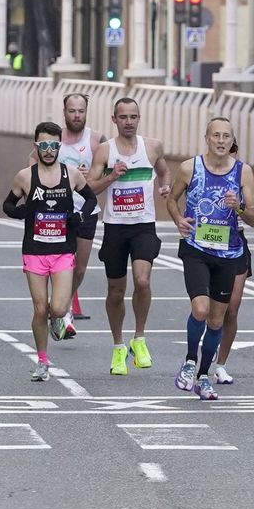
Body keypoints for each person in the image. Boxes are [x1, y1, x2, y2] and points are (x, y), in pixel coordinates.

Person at [166, 117, 254, 400]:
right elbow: (171, 199)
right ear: (206, 138)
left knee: (217, 320)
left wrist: (240, 207)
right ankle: (190, 360)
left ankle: (203, 375)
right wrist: (179, 220)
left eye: (226, 136)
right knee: (201, 309)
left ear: (233, 141)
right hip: (196, 248)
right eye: (216, 135)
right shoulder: (188, 168)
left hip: (229, 252)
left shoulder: (243, 173)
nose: (221, 141)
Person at [3, 121, 96, 381]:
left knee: (57, 308)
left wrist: (79, 217)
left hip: (63, 250)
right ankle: (42, 361)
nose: (48, 150)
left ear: (59, 147)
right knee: (40, 309)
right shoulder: (25, 176)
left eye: (53, 145)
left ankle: (60, 318)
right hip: (34, 250)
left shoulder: (72, 174)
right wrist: (25, 212)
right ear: (36, 146)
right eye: (43, 145)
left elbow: (91, 199)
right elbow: (8, 205)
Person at [88, 97, 172, 375]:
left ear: (139, 118)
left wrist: (165, 186)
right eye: (123, 117)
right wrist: (111, 177)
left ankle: (139, 338)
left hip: (143, 225)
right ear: (114, 120)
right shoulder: (104, 151)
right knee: (116, 290)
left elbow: (164, 170)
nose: (128, 122)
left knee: (143, 280)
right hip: (115, 227)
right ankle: (118, 346)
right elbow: (89, 188)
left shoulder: (152, 146)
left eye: (133, 117)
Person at [56, 92, 113, 339]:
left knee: (79, 268)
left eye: (81, 111)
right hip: (57, 212)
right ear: (65, 112)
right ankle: (62, 310)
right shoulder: (53, 139)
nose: (76, 115)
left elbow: (109, 171)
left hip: (86, 211)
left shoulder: (97, 140)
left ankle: (64, 303)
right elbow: (32, 169)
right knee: (60, 264)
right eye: (72, 111)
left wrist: (91, 176)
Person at [213, 139, 254, 385]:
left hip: (236, 242)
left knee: (232, 308)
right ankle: (202, 357)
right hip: (207, 243)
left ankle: (221, 364)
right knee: (209, 310)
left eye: (233, 149)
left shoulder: (243, 176)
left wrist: (238, 206)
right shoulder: (202, 172)